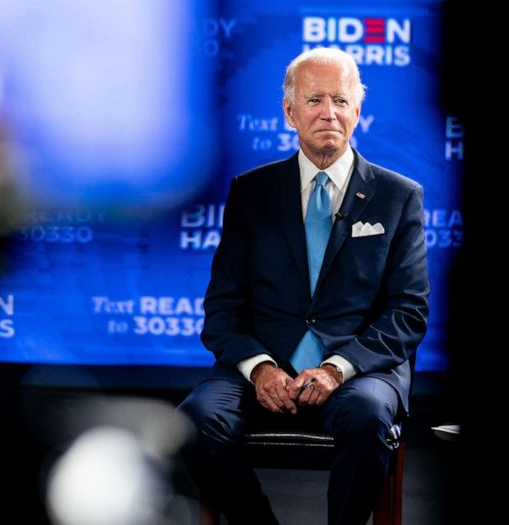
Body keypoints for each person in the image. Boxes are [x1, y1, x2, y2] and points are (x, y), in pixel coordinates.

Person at [177, 47, 429, 525]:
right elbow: (222, 309)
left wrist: (336, 369)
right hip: (262, 373)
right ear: (290, 112)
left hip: (359, 374)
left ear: (358, 109)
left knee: (369, 416)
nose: (329, 113)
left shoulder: (399, 197)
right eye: (314, 100)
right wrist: (260, 369)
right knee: (194, 422)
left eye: (340, 99)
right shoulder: (251, 193)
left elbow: (407, 312)